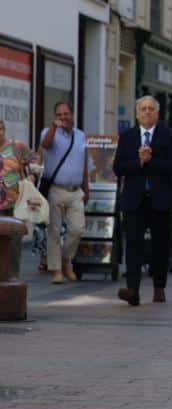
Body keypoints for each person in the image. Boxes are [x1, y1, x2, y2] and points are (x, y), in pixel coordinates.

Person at [113, 95, 172, 306]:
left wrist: (152, 161)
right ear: (136, 114)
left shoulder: (168, 135)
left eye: (151, 109)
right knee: (132, 244)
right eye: (143, 109)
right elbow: (118, 168)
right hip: (135, 200)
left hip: (160, 199)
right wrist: (139, 162)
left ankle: (159, 287)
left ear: (157, 113)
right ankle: (132, 289)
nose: (147, 112)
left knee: (161, 246)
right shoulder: (127, 137)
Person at [38, 101, 88, 284]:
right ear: (55, 117)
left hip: (75, 190)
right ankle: (57, 270)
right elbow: (45, 144)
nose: (63, 118)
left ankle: (66, 259)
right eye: (59, 115)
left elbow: (84, 164)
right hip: (56, 189)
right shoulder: (48, 132)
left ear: (72, 115)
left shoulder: (81, 136)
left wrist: (86, 188)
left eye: (66, 114)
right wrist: (53, 127)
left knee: (77, 228)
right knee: (54, 231)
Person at [0, 119, 34, 279]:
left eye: (0, 128)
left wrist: (32, 176)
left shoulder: (17, 146)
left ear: (4, 129)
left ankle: (12, 278)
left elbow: (35, 161)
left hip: (15, 204)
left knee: (14, 243)